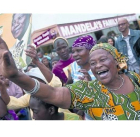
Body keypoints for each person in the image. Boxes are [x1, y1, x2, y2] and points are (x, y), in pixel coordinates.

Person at [2, 37, 140, 120]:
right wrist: (16, 75)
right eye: (93, 63)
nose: (98, 65)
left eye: (103, 59)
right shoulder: (89, 90)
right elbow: (54, 92)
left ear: (116, 60)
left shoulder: (135, 78)